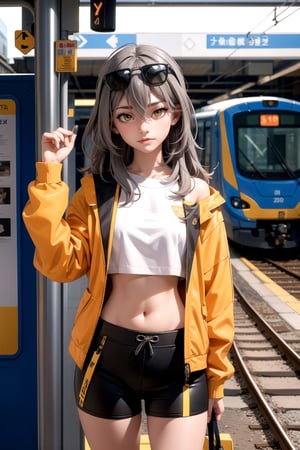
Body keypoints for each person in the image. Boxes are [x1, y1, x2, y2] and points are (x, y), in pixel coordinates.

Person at [23, 44, 234, 450]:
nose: (144, 126)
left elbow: (217, 293)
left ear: (175, 114)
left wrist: (218, 377)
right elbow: (60, 264)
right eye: (127, 115)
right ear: (112, 123)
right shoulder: (97, 192)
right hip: (106, 356)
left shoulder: (200, 197)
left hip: (181, 363)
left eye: (157, 112)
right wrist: (50, 175)